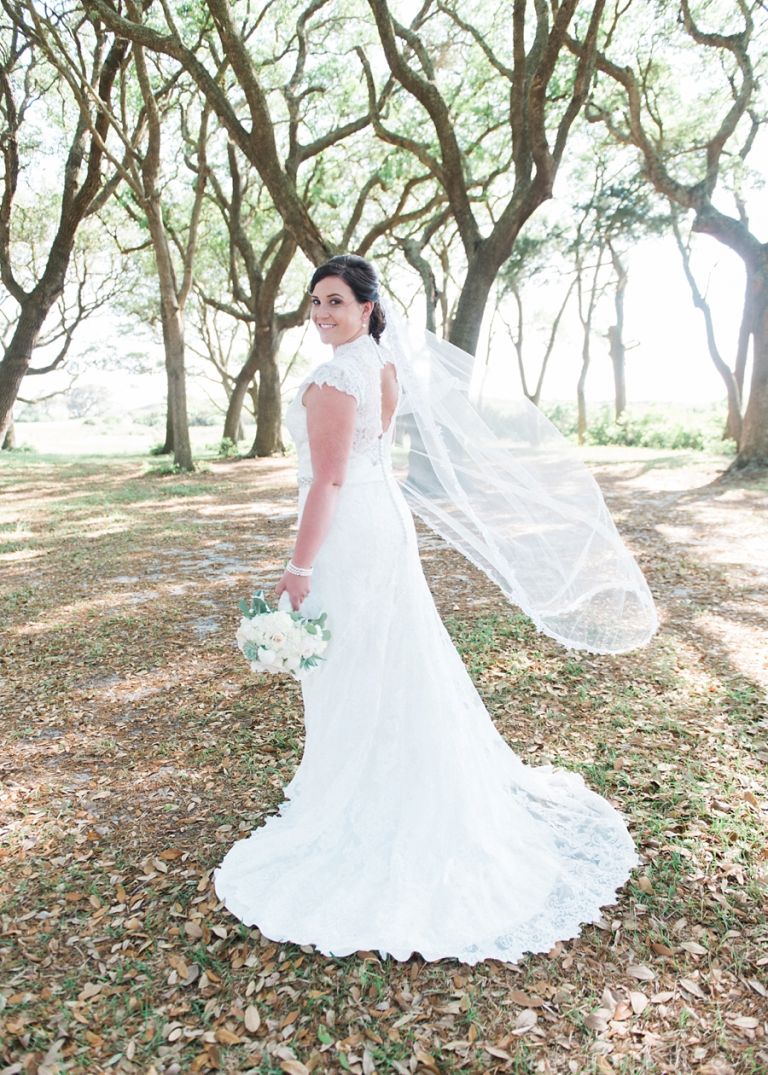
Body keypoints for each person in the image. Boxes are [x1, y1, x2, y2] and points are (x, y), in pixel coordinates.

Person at [213, 254, 646, 965]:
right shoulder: (381, 364)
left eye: (335, 302)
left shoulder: (331, 377)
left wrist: (297, 568)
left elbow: (327, 480)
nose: (321, 314)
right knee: (390, 654)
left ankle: (360, 792)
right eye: (315, 302)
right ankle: (387, 774)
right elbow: (370, 455)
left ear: (366, 309)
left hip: (350, 533)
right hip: (383, 523)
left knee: (351, 657)